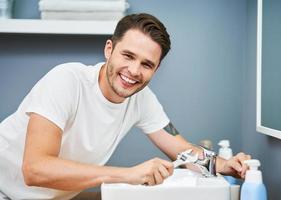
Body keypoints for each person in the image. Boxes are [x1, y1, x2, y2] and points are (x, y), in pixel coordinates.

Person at [0, 13, 250, 199]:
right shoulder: (66, 81)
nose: (133, 71)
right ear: (109, 49)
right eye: (128, 56)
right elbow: (35, 169)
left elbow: (182, 150)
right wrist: (129, 174)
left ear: (156, 69)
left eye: (146, 64)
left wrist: (222, 165)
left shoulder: (142, 100)